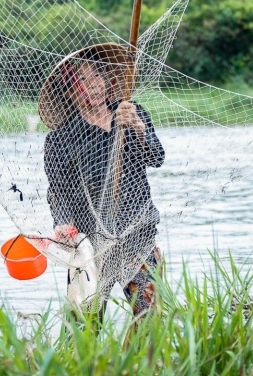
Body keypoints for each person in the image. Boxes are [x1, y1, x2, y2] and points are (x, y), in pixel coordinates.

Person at [39, 43, 165, 319]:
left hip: (137, 232)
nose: (93, 85)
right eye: (82, 80)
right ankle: (88, 364)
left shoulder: (131, 113)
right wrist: (62, 222)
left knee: (149, 316)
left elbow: (156, 157)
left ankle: (141, 362)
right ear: (70, 90)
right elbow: (58, 191)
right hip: (92, 243)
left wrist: (137, 127)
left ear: (107, 80)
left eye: (97, 76)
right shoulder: (60, 138)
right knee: (85, 324)